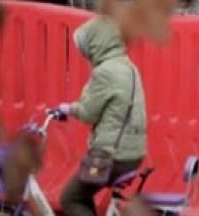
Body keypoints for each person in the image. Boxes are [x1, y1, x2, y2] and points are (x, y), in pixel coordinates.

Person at [57, 16, 147, 216]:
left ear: (97, 44)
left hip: (109, 158)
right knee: (84, 194)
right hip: (132, 155)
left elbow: (88, 113)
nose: (85, 55)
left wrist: (68, 108)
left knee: (70, 199)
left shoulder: (106, 72)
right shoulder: (129, 67)